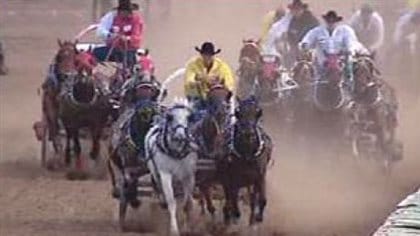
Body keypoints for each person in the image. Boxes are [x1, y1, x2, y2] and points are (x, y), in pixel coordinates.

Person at [299, 10, 368, 90]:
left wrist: (349, 49)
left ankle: (349, 83)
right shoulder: (317, 31)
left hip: (341, 58)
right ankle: (316, 84)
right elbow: (307, 40)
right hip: (322, 59)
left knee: (350, 66)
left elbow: (351, 42)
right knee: (313, 67)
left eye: (333, 21)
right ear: (325, 21)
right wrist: (305, 45)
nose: (331, 23)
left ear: (337, 22)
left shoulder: (345, 31)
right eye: (329, 21)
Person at [184, 42, 235, 111]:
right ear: (201, 55)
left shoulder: (222, 66)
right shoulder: (193, 65)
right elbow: (189, 81)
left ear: (213, 55)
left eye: (210, 55)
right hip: (197, 98)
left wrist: (220, 85)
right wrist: (201, 80)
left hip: (216, 99)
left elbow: (229, 83)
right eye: (205, 55)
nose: (207, 58)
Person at [95, 0, 144, 70]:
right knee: (95, 53)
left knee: (128, 64)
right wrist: (111, 35)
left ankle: (127, 75)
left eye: (129, 11)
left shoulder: (136, 20)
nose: (129, 14)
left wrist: (127, 39)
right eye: (125, 11)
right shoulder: (113, 17)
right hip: (113, 48)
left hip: (129, 50)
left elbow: (137, 37)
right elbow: (101, 31)